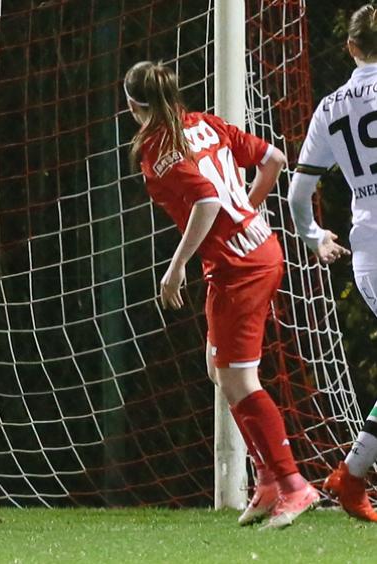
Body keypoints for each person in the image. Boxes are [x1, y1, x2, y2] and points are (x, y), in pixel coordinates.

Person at [124, 60, 318, 528]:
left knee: (238, 378)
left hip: (239, 267)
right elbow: (273, 158)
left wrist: (175, 269)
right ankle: (268, 479)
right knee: (219, 368)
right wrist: (248, 210)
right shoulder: (205, 123)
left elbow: (208, 202)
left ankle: (294, 485)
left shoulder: (156, 149)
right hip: (258, 249)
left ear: (133, 105)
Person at [288, 3, 377, 523]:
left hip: (368, 250)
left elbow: (300, 192)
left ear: (350, 47)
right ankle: (352, 475)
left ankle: (351, 475)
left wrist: (312, 234)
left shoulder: (330, 106)